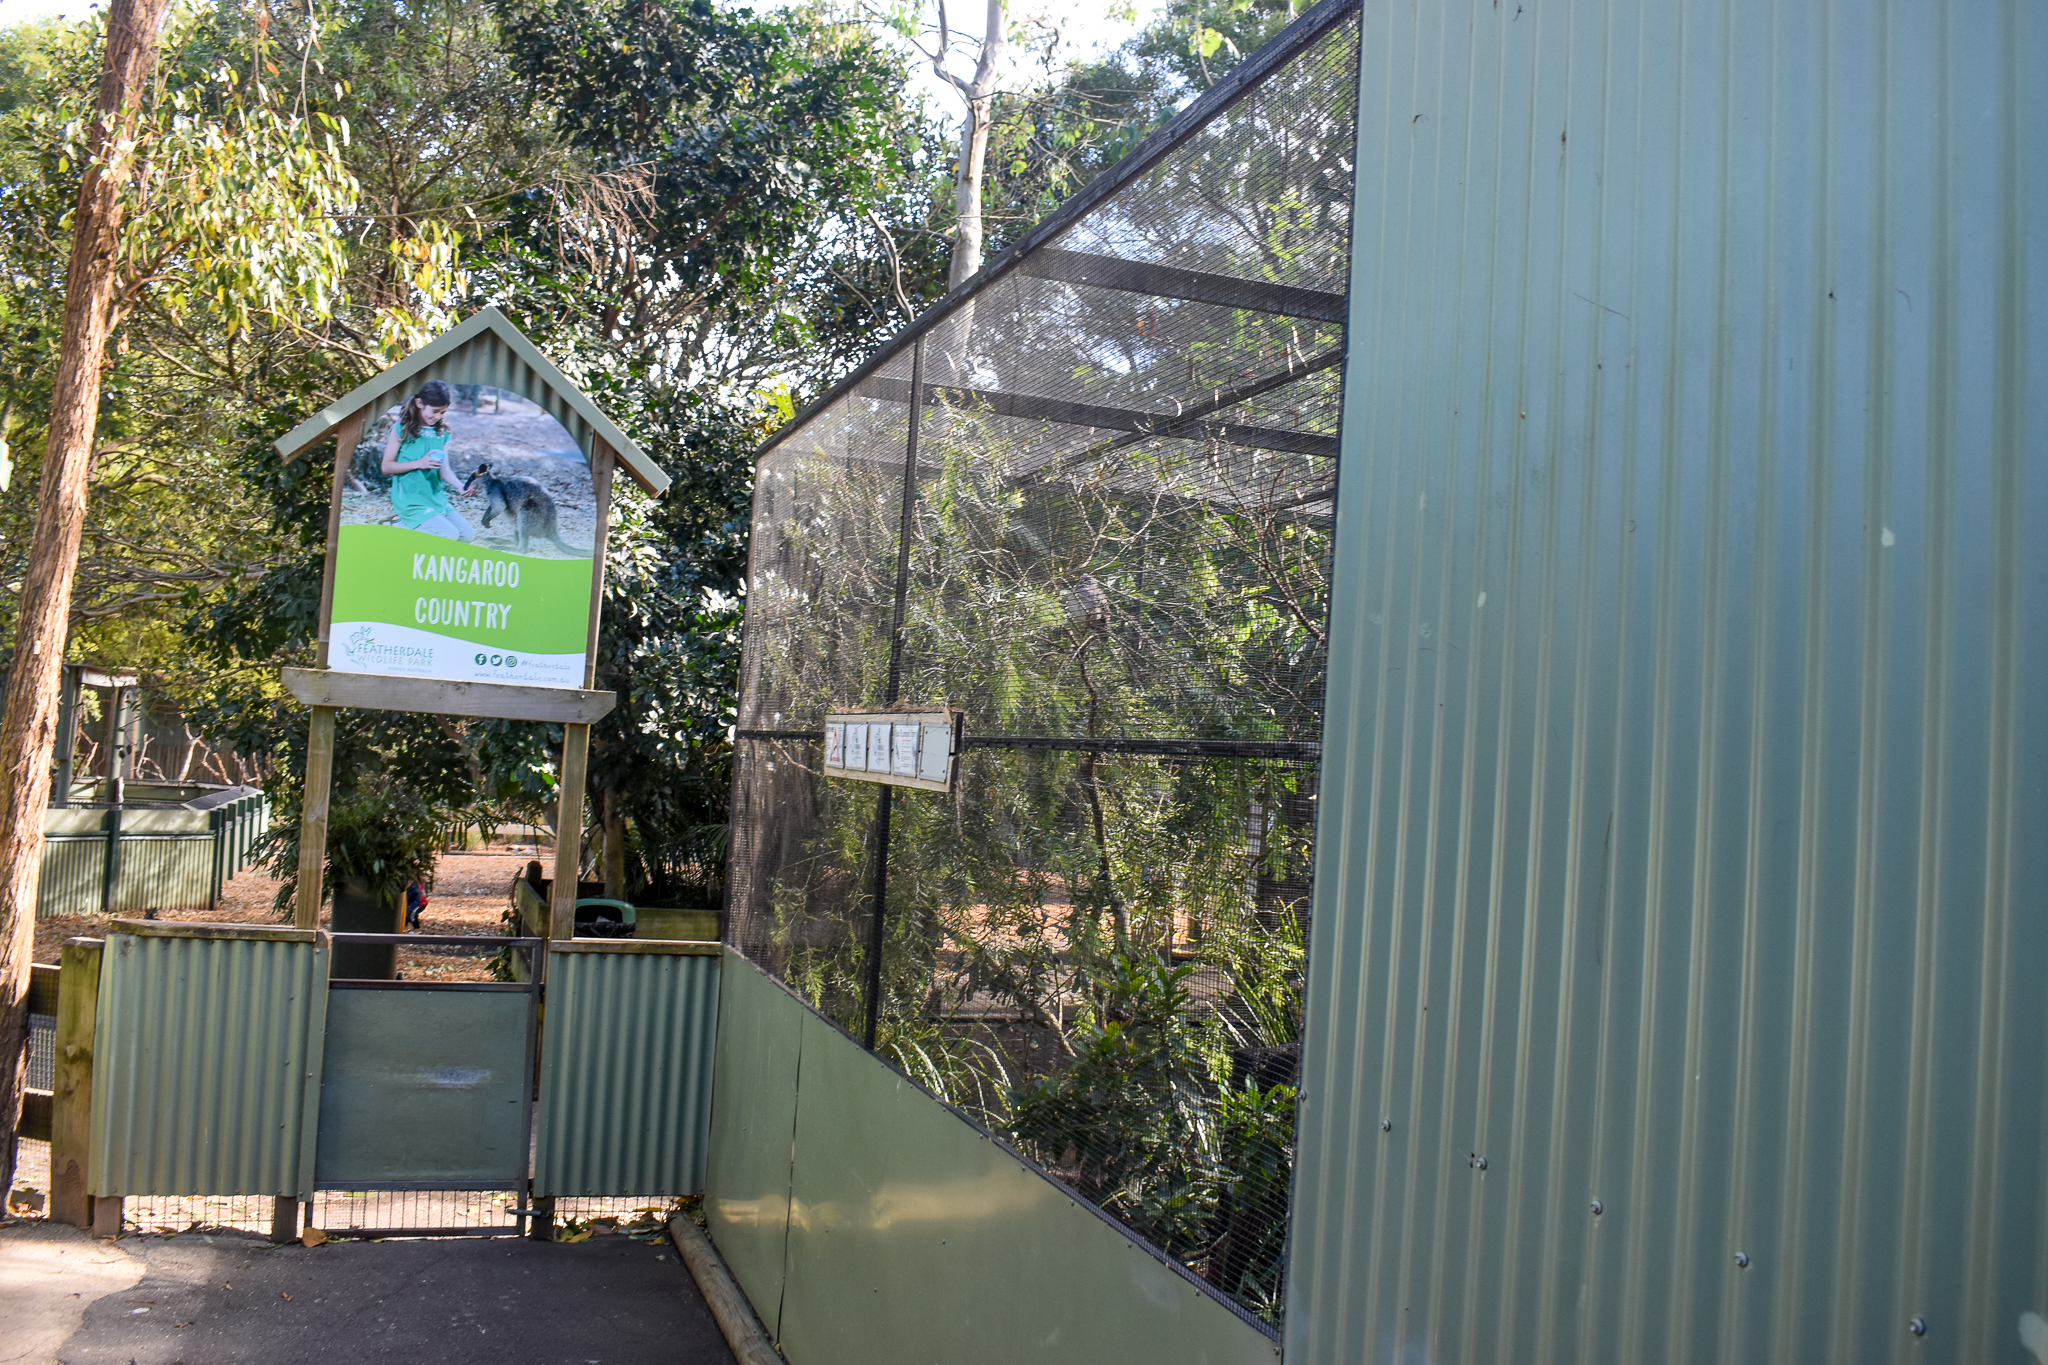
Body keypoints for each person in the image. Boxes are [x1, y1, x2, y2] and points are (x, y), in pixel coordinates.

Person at [381, 380, 479, 541]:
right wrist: (419, 463)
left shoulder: (442, 434)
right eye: (435, 411)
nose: (438, 416)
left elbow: (445, 470)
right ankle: (398, 525)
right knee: (448, 534)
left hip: (435, 498)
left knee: (467, 535)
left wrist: (460, 486)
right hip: (411, 501)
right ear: (419, 403)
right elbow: (386, 467)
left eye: (442, 412)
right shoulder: (401, 429)